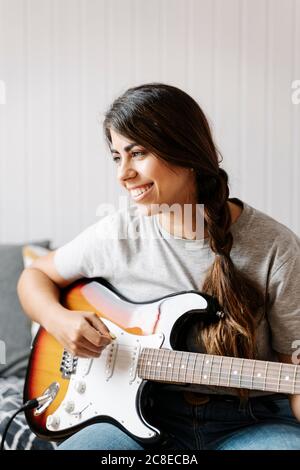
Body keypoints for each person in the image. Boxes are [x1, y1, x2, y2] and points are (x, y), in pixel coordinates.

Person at [18, 83, 300, 450]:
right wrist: (59, 320)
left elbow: (290, 366)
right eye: (117, 157)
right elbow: (35, 275)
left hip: (252, 421)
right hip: (139, 416)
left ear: (184, 149)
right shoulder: (119, 232)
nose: (123, 174)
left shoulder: (275, 245)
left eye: (137, 153)